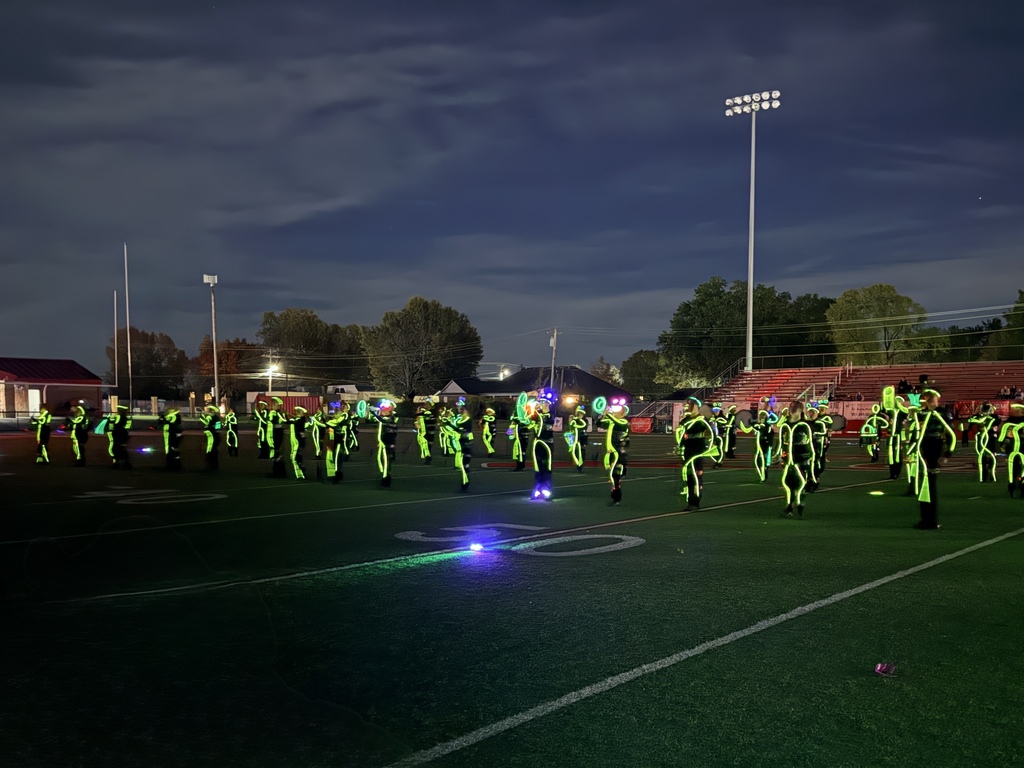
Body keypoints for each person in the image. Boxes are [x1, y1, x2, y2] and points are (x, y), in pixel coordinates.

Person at [913, 389, 956, 530]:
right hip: (923, 448)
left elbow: (951, 433)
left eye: (933, 396)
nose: (930, 398)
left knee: (930, 484)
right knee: (923, 486)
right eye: (928, 396)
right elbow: (916, 433)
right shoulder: (921, 414)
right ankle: (925, 518)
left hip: (934, 447)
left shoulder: (943, 413)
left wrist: (947, 454)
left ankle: (931, 520)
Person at [674, 396, 715, 511]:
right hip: (688, 448)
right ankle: (691, 500)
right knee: (688, 475)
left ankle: (695, 501)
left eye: (692, 405)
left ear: (697, 407)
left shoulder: (702, 419)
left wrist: (710, 447)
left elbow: (712, 434)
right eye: (688, 405)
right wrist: (680, 446)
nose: (689, 408)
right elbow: (682, 435)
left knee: (696, 475)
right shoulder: (686, 421)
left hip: (698, 449)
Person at [779, 400, 816, 518]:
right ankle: (789, 506)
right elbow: (780, 442)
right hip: (788, 459)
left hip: (801, 458)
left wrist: (812, 458)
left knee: (800, 483)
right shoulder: (785, 425)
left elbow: (811, 443)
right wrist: (778, 454)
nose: (792, 409)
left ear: (800, 410)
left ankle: (799, 504)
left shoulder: (804, 426)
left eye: (795, 407)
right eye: (791, 406)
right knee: (788, 483)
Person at [598, 400, 630, 505]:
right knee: (613, 476)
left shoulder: (623, 422)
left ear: (623, 413)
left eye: (617, 410)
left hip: (620, 453)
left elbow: (618, 423)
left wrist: (609, 414)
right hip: (612, 453)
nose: (615, 411)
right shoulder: (612, 422)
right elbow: (598, 424)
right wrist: (603, 415)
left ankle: (616, 497)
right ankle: (615, 495)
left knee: (615, 475)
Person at [528, 390, 556, 499]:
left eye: (545, 402)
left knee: (546, 467)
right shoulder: (537, 415)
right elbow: (528, 421)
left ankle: (546, 489)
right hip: (537, 443)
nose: (542, 404)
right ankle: (538, 489)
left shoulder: (550, 415)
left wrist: (536, 412)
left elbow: (546, 421)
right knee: (538, 467)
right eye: (542, 402)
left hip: (547, 444)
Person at [738, 409, 775, 482]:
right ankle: (763, 475)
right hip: (759, 444)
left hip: (765, 445)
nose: (761, 417)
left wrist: (752, 425)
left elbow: (761, 429)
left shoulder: (767, 426)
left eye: (763, 416)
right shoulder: (759, 425)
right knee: (758, 461)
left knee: (763, 461)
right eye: (761, 416)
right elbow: (750, 429)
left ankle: (763, 476)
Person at [369, 399, 399, 487]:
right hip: (381, 442)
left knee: (387, 460)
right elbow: (374, 421)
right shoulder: (380, 418)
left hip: (389, 441)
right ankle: (385, 473)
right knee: (380, 459)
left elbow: (383, 421)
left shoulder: (392, 418)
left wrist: (374, 413)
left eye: (385, 409)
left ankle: (386, 477)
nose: (383, 411)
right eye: (382, 409)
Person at [997, 403, 1024, 498]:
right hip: (1012, 451)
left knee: (1022, 471)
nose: (1014, 411)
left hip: (1022, 449)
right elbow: (1001, 438)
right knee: (1012, 471)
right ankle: (1012, 488)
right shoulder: (1007, 423)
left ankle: (1021, 488)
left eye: (1016, 409)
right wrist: (1002, 447)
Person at [968, 403, 998, 483]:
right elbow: (970, 424)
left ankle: (991, 473)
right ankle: (985, 475)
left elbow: (996, 424)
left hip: (990, 438)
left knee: (991, 456)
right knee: (983, 457)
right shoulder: (977, 417)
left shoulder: (993, 418)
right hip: (982, 438)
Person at [106, 404, 133, 470]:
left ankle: (116, 463)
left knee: (115, 449)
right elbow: (128, 427)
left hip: (117, 434)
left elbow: (111, 426)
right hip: (123, 434)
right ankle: (126, 463)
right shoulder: (127, 418)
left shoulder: (116, 417)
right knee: (122, 448)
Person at [157, 407, 183, 471]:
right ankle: (172, 464)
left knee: (172, 449)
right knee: (170, 449)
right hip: (169, 435)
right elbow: (160, 423)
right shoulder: (170, 417)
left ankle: (175, 465)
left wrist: (164, 418)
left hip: (172, 435)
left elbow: (172, 423)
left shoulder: (174, 417)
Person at [286, 405, 308, 480]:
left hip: (299, 441)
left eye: (299, 411)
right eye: (297, 411)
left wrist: (288, 416)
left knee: (296, 457)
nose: (297, 412)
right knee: (298, 457)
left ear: (302, 412)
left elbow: (292, 422)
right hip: (299, 441)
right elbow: (289, 421)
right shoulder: (299, 419)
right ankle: (301, 471)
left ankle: (301, 473)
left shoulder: (301, 420)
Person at [198, 405, 221, 470]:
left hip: (211, 434)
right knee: (214, 450)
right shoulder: (216, 417)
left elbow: (207, 423)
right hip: (215, 434)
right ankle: (214, 465)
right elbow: (218, 427)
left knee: (209, 449)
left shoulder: (210, 417)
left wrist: (201, 418)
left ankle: (209, 465)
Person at [565, 405, 588, 472]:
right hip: (575, 437)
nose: (580, 415)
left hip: (582, 437)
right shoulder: (574, 420)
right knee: (574, 451)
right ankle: (576, 463)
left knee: (582, 451)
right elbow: (571, 427)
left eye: (581, 414)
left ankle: (580, 465)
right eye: (579, 413)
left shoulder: (584, 420)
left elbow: (584, 427)